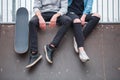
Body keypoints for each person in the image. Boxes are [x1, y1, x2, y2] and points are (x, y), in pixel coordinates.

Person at [26, 0, 71, 68]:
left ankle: (51, 47)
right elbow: (36, 7)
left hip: (57, 13)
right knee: (32, 22)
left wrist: (55, 16)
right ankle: (34, 53)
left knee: (68, 20)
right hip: (42, 14)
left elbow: (64, 8)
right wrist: (40, 17)